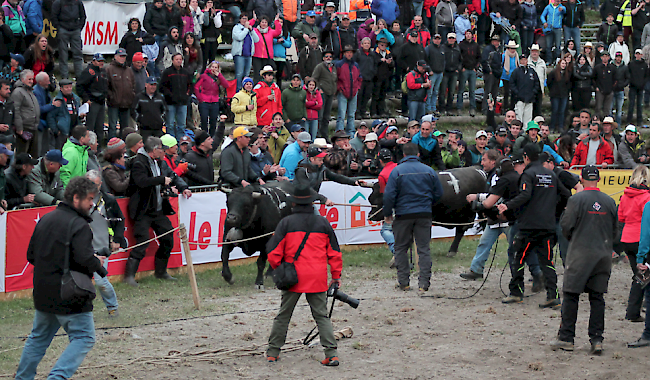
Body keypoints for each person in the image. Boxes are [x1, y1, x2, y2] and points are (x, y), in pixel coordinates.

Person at [13, 177, 107, 380]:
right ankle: (56, 377)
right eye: (90, 199)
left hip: (43, 291)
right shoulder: (80, 225)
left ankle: (23, 378)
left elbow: (31, 255)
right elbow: (83, 258)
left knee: (38, 339)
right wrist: (98, 264)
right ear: (76, 198)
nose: (92, 203)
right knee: (84, 337)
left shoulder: (46, 219)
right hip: (69, 293)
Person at [265, 168, 342, 366]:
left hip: (292, 276)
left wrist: (280, 268)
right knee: (321, 316)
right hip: (317, 276)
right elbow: (334, 253)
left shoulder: (285, 223)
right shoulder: (323, 223)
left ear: (293, 203)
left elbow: (273, 253)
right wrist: (335, 276)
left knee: (284, 315)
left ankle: (273, 352)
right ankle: (331, 354)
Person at [551, 165, 617, 354]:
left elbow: (566, 225)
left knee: (571, 295)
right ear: (599, 179)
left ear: (581, 179)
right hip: (602, 255)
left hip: (580, 254)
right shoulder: (609, 201)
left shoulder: (575, 199)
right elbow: (615, 230)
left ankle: (566, 338)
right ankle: (597, 340)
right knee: (597, 298)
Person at [500, 144, 569, 307]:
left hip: (529, 226)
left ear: (525, 157)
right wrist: (555, 208)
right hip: (547, 226)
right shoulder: (551, 174)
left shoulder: (528, 174)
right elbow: (566, 194)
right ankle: (553, 295)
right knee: (547, 261)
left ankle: (516, 292)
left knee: (519, 258)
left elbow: (525, 195)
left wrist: (507, 205)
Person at [124, 136, 191, 286]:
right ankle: (129, 277)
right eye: (161, 149)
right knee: (142, 243)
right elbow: (141, 182)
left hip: (157, 209)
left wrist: (179, 187)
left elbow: (171, 176)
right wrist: (161, 180)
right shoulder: (138, 162)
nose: (163, 152)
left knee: (167, 238)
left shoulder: (158, 161)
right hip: (142, 209)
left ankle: (161, 271)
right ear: (154, 150)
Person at [384, 142, 443, 292]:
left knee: (401, 248)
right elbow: (439, 194)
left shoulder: (397, 171)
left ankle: (404, 282)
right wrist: (429, 205)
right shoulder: (429, 171)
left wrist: (387, 213)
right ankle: (424, 283)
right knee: (423, 248)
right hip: (424, 213)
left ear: (403, 155)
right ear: (418, 154)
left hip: (403, 214)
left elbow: (389, 195)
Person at [461, 157, 527, 281]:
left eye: (485, 160)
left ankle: (533, 273)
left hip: (506, 217)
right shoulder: (496, 177)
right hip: (496, 217)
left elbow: (494, 196)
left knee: (517, 247)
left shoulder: (505, 179)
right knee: (484, 243)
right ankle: (476, 269)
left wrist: (480, 202)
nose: (482, 163)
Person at [85, 170, 125, 318]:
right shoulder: (77, 200)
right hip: (83, 247)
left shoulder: (108, 200)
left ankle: (112, 307)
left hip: (101, 247)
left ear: (100, 184)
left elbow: (120, 221)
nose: (92, 188)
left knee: (101, 281)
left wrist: (117, 240)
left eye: (95, 185)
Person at [617, 165, 650, 323]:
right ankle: (633, 312)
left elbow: (621, 217)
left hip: (627, 238)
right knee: (642, 276)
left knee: (639, 276)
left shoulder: (625, 195)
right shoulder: (646, 197)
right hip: (641, 239)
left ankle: (633, 311)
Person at [77, 54, 108, 146]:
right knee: (90, 127)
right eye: (99, 61)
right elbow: (79, 86)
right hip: (92, 102)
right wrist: (86, 99)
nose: (101, 63)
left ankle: (98, 148)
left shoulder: (103, 72)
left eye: (102, 61)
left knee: (100, 127)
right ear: (94, 61)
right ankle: (88, 147)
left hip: (101, 102)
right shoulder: (88, 72)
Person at [106, 48, 135, 144]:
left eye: (124, 56)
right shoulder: (109, 69)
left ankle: (123, 147)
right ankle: (111, 145)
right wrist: (111, 97)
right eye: (120, 56)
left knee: (125, 128)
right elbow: (106, 86)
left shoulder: (129, 70)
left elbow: (133, 85)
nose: (122, 58)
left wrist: (131, 96)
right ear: (115, 57)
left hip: (126, 103)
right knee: (113, 126)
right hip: (114, 103)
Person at [50, 0, 85, 78]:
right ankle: (64, 78)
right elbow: (53, 17)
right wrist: (59, 28)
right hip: (63, 29)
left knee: (78, 54)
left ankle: (80, 78)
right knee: (63, 55)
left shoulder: (78, 2)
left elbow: (83, 16)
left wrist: (79, 28)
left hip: (75, 30)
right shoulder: (58, 2)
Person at [160, 53, 191, 140]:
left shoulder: (185, 72)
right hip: (170, 103)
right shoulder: (167, 72)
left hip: (183, 102)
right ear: (172, 60)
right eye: (177, 59)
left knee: (182, 125)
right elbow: (162, 86)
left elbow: (191, 85)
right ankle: (171, 142)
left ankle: (180, 143)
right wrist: (170, 95)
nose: (178, 61)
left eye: (180, 59)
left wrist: (187, 94)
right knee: (170, 124)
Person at [195, 61, 229, 136]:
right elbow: (197, 87)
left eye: (215, 67)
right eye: (212, 67)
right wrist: (200, 98)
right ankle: (204, 136)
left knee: (213, 121)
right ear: (209, 67)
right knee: (204, 120)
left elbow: (226, 85)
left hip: (214, 101)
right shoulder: (204, 76)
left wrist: (219, 75)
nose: (213, 69)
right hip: (204, 101)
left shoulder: (218, 77)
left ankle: (212, 137)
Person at [11, 69, 39, 157]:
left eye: (32, 79)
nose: (31, 81)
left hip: (33, 127)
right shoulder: (18, 92)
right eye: (29, 79)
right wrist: (19, 128)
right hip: (24, 129)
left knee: (33, 155)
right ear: (22, 79)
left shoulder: (29, 91)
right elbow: (16, 110)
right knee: (22, 155)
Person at [47, 77, 79, 152]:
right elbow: (51, 116)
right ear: (61, 88)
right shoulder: (57, 100)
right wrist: (55, 130)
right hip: (63, 131)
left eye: (70, 87)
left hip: (74, 129)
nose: (69, 89)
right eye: (66, 87)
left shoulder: (75, 99)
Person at [336, 45, 362, 137]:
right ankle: (340, 131)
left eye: (350, 52)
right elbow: (337, 78)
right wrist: (339, 88)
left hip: (354, 91)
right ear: (344, 54)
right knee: (341, 114)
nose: (349, 54)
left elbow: (359, 77)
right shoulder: (339, 64)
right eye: (347, 52)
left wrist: (357, 87)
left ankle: (350, 132)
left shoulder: (356, 65)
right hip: (343, 91)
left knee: (351, 114)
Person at [311, 50, 337, 139]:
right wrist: (319, 88)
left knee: (327, 116)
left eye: (330, 56)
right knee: (320, 116)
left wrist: (334, 89)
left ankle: (325, 135)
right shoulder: (320, 67)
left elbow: (335, 80)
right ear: (323, 58)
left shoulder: (334, 68)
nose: (328, 58)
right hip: (322, 94)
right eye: (326, 56)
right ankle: (317, 135)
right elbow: (314, 79)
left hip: (330, 94)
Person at [510, 54, 540, 127]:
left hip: (530, 99)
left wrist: (533, 93)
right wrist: (517, 93)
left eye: (525, 59)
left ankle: (526, 132)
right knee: (519, 118)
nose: (523, 61)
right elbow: (512, 83)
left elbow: (537, 83)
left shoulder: (532, 71)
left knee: (528, 118)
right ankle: (519, 132)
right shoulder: (516, 71)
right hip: (519, 99)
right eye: (522, 60)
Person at [457, 30, 480, 116]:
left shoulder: (475, 45)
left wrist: (476, 68)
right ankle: (459, 108)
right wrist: (461, 68)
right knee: (461, 90)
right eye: (467, 34)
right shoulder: (461, 45)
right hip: (464, 69)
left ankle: (472, 108)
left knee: (472, 90)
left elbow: (479, 57)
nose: (468, 35)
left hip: (472, 69)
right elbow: (458, 57)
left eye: (469, 34)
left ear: (472, 35)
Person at [371, 37, 394, 118]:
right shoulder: (374, 53)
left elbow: (392, 65)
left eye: (385, 45)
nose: (383, 46)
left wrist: (389, 63)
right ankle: (373, 112)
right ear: (378, 45)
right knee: (375, 95)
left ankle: (381, 111)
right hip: (377, 77)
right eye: (382, 44)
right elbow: (373, 62)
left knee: (382, 95)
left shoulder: (389, 53)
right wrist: (381, 60)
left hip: (386, 77)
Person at [547, 59, 572, 133]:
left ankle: (560, 127)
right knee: (555, 111)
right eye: (562, 63)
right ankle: (552, 127)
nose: (563, 65)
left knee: (562, 111)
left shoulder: (567, 73)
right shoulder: (553, 72)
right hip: (555, 95)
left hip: (564, 95)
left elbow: (569, 84)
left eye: (565, 63)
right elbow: (549, 82)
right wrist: (552, 90)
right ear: (559, 64)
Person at [481, 35, 503, 114]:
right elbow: (484, 61)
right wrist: (489, 70)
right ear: (492, 41)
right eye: (495, 41)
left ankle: (493, 109)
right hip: (490, 73)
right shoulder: (488, 49)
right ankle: (484, 109)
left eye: (498, 41)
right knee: (487, 92)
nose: (496, 42)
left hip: (497, 73)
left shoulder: (498, 50)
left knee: (494, 92)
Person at [627, 49, 648, 125]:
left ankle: (639, 121)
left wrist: (643, 83)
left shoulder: (644, 65)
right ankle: (629, 120)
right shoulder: (631, 64)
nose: (638, 55)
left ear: (642, 55)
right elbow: (628, 74)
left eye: (639, 54)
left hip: (641, 88)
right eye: (637, 54)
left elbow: (646, 76)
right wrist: (631, 82)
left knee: (639, 105)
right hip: (632, 87)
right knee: (631, 104)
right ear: (635, 55)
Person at [593, 51, 615, 117]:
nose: (605, 58)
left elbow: (615, 79)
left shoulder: (612, 67)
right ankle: (597, 122)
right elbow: (593, 78)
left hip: (609, 90)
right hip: (600, 90)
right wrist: (596, 87)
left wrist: (612, 88)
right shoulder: (597, 67)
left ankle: (606, 123)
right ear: (601, 58)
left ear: (609, 57)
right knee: (598, 108)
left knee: (607, 109)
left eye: (606, 56)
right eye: (603, 56)